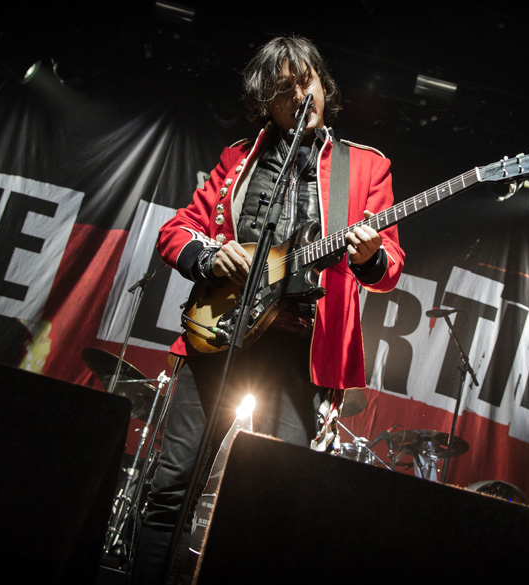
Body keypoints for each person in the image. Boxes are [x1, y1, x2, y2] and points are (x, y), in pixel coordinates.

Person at [131, 35, 404, 584]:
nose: (300, 95)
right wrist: (209, 254)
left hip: (301, 356)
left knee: (270, 506)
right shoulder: (238, 159)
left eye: (307, 82)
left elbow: (390, 266)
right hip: (218, 340)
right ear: (266, 103)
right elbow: (176, 230)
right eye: (284, 90)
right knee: (170, 486)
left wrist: (371, 256)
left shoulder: (366, 167)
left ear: (324, 86)